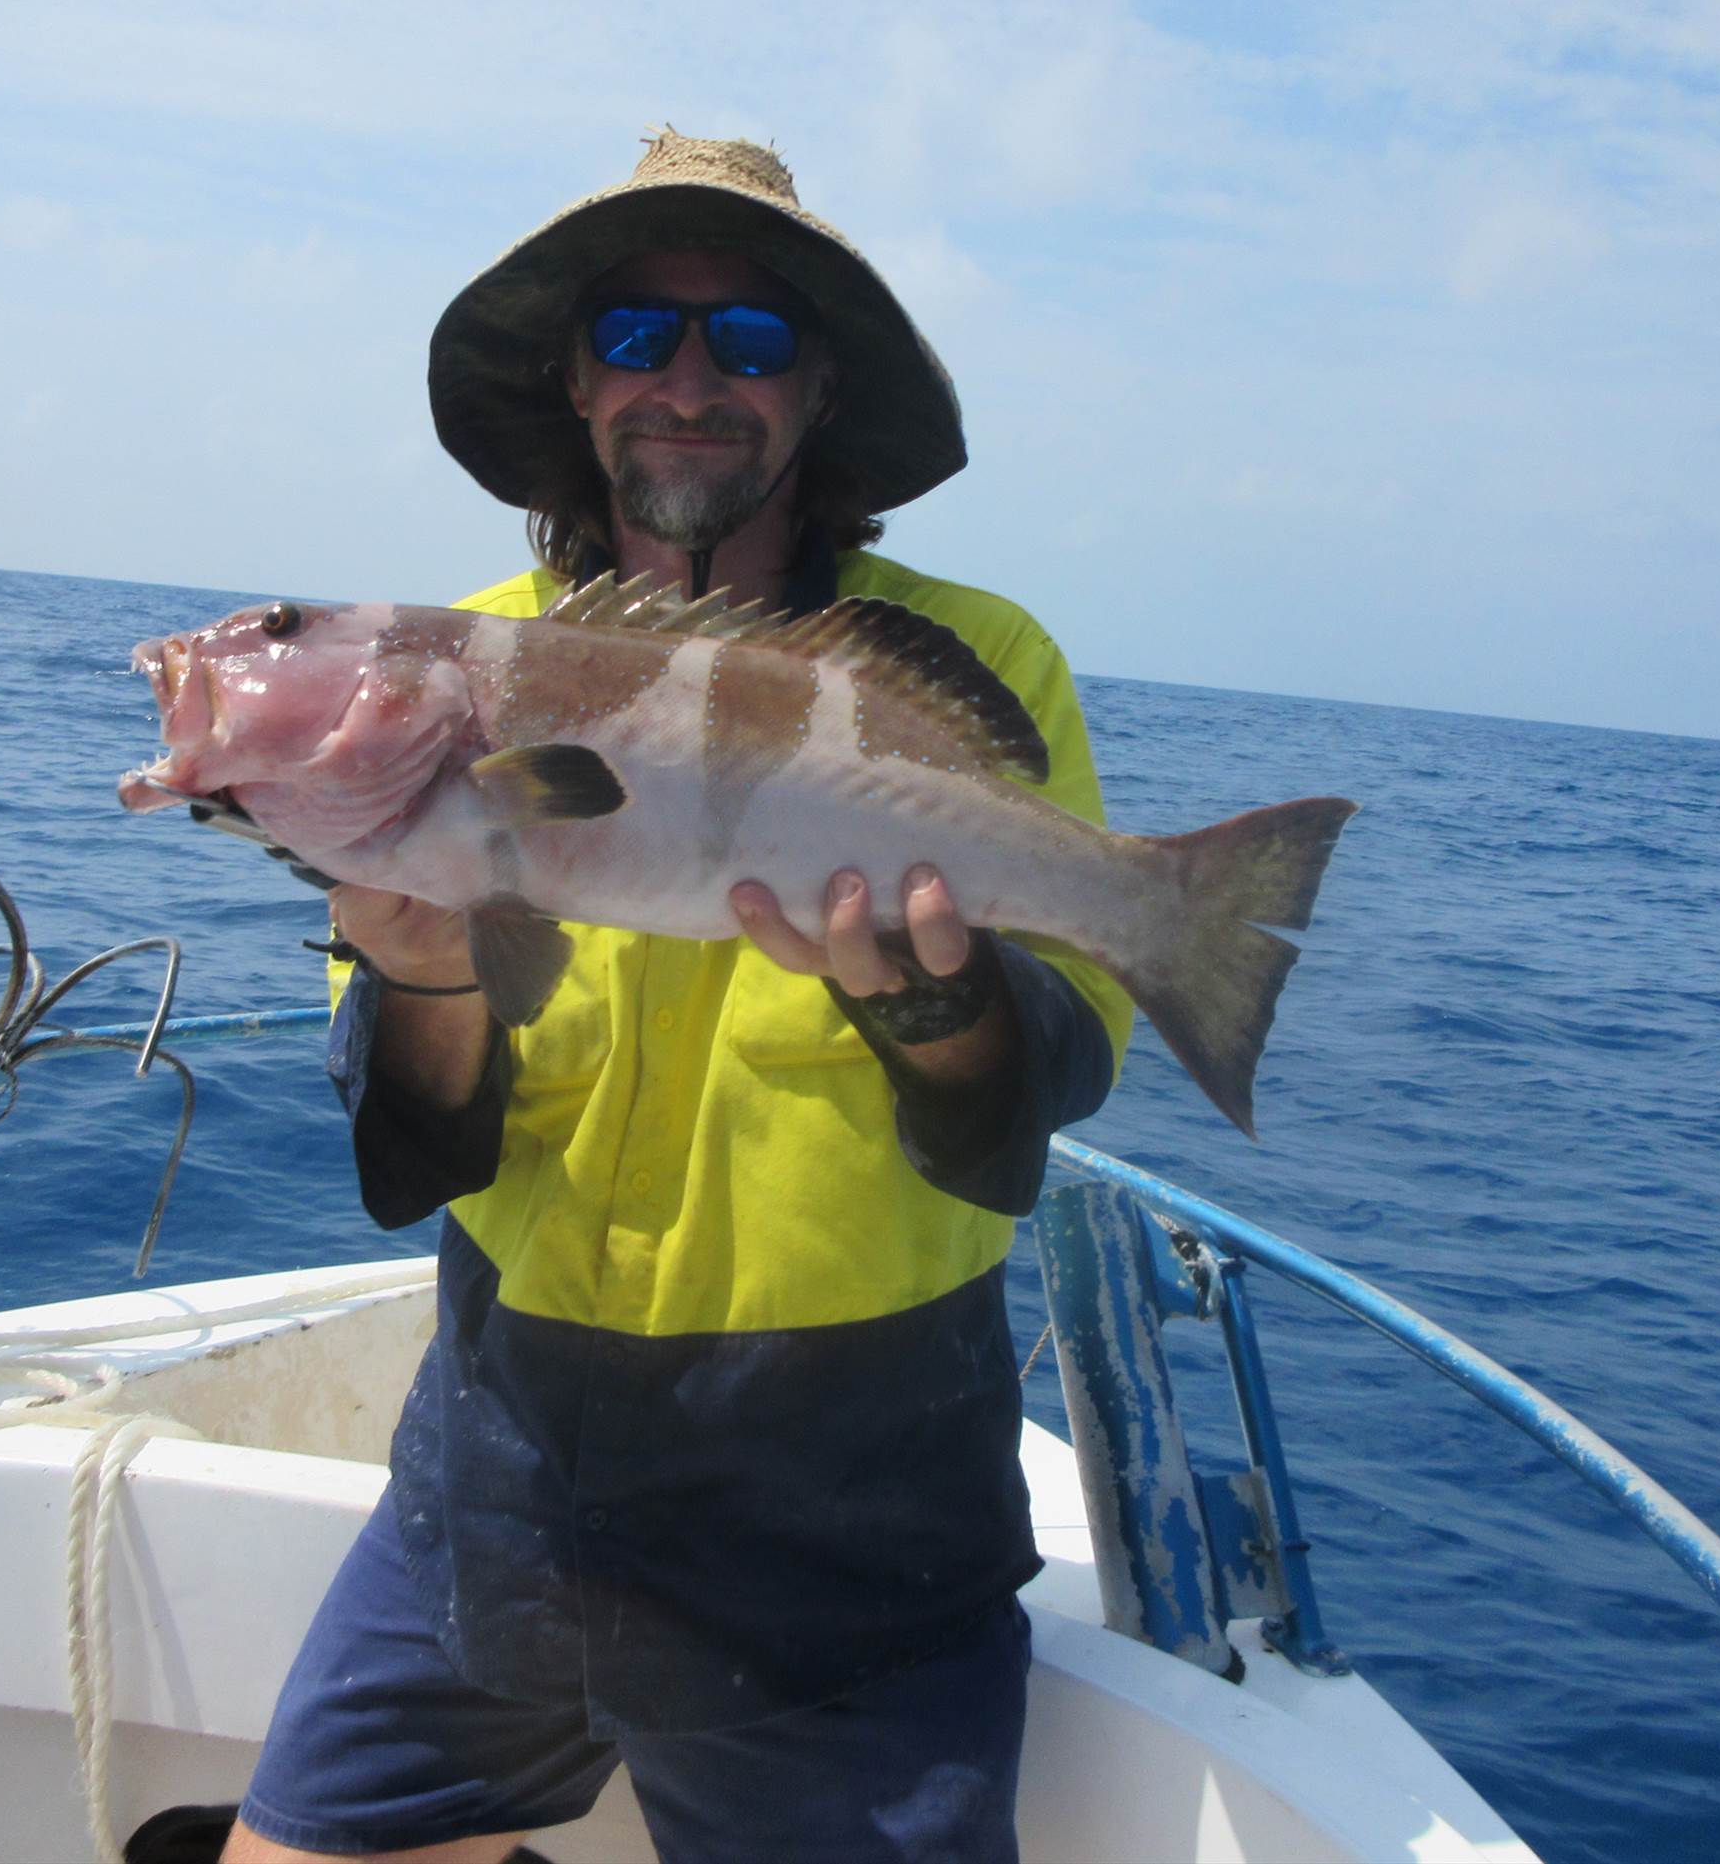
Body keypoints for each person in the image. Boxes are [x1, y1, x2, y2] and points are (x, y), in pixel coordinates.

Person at [222, 133, 1133, 1864]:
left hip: (855, 1529)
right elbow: (415, 1153)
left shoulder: (974, 667)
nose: (691, 383)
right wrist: (419, 969)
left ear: (820, 387)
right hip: (495, 1476)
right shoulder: (444, 676)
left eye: (751, 339)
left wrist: (930, 1001)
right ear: (575, 378)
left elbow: (1035, 1100)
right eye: (639, 335)